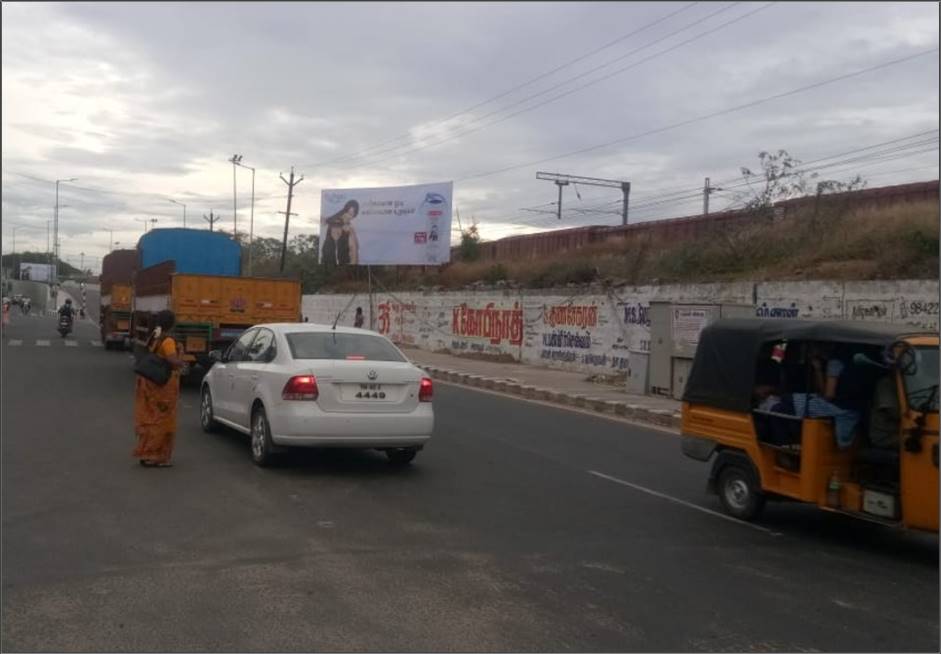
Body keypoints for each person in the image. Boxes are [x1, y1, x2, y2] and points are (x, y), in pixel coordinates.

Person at [133, 310, 186, 467]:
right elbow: (170, 359)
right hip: (162, 386)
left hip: (149, 383)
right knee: (163, 420)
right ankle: (157, 456)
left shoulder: (156, 336)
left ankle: (146, 452)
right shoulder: (168, 340)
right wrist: (182, 363)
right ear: (171, 324)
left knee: (150, 417)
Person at [321, 200, 360, 266]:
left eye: (351, 215)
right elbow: (323, 221)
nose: (348, 216)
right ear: (344, 210)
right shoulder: (333, 220)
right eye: (347, 212)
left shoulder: (350, 230)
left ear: (354, 216)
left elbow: (355, 251)